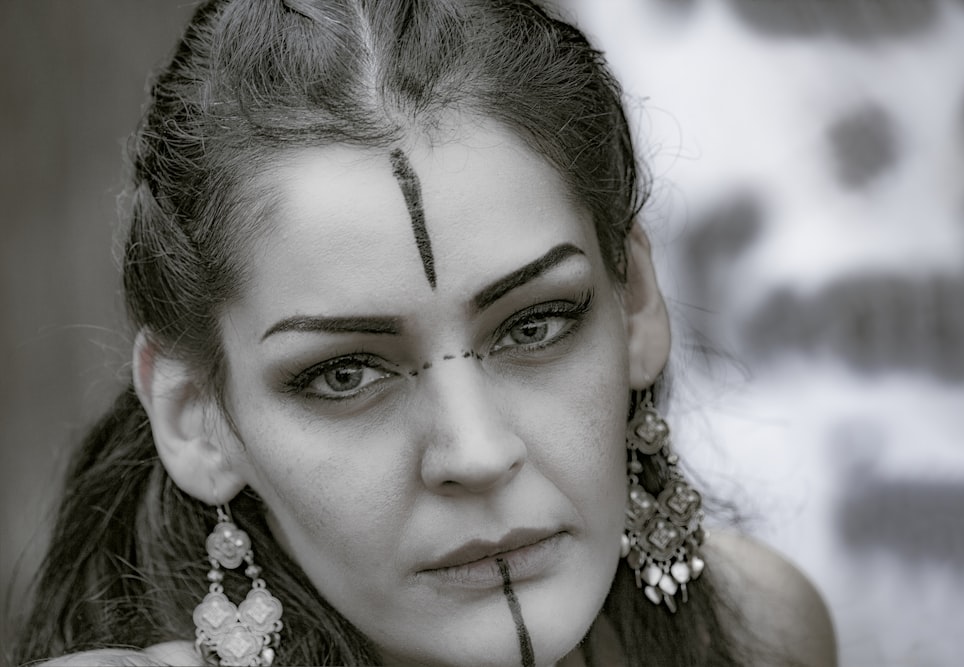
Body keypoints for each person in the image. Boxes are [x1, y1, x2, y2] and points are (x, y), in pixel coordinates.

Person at [11, 1, 836, 665]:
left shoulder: (761, 632)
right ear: (197, 415)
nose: (475, 452)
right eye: (343, 374)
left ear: (637, 304)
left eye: (536, 324)